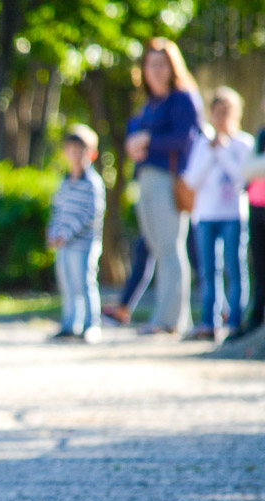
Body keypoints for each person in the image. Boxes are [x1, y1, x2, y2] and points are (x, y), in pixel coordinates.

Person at [125, 37, 200, 336]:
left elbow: (184, 139)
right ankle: (170, 317)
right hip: (146, 180)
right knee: (158, 249)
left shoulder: (182, 99)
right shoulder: (148, 105)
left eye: (161, 64)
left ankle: (170, 321)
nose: (155, 71)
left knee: (170, 248)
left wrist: (147, 140)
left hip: (168, 180)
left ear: (172, 67)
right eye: (150, 64)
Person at [183, 87, 253, 340]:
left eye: (227, 112)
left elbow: (243, 178)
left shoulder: (243, 143)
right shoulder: (202, 144)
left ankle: (235, 321)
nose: (222, 118)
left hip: (234, 215)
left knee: (235, 268)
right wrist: (212, 151)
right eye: (217, 112)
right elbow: (192, 180)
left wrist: (222, 151)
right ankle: (208, 321)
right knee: (208, 270)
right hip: (206, 215)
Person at [47, 123, 106, 343]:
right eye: (71, 149)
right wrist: (53, 233)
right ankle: (70, 324)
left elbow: (90, 212)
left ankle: (92, 325)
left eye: (81, 150)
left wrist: (67, 234)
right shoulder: (64, 182)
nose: (75, 155)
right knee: (68, 284)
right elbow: (57, 210)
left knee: (85, 283)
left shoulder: (92, 183)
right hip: (63, 244)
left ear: (91, 153)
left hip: (83, 244)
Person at [238, 90, 265, 338]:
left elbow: (253, 167)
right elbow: (246, 170)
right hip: (257, 209)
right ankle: (256, 317)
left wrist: (257, 167)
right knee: (258, 266)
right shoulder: (260, 136)